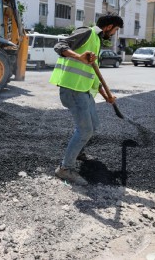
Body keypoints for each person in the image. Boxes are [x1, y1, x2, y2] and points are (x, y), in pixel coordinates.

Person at [49, 15, 124, 185]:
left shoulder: (96, 41)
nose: (114, 34)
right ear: (108, 26)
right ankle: (64, 168)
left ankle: (79, 153)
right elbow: (60, 45)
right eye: (115, 30)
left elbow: (93, 76)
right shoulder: (87, 32)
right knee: (84, 131)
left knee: (94, 126)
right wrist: (79, 56)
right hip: (73, 90)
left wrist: (107, 97)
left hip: (84, 92)